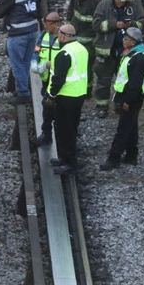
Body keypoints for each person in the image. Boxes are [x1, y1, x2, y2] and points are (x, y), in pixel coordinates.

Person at [92, 0, 144, 118]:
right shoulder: (103, 6)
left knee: (123, 81)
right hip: (107, 52)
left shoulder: (132, 7)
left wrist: (132, 24)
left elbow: (141, 24)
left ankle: (120, 104)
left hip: (125, 53)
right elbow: (96, 25)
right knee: (103, 80)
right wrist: (114, 25)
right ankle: (101, 107)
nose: (125, 0)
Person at [99, 28, 144, 170]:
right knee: (131, 126)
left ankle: (114, 158)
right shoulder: (131, 53)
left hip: (131, 98)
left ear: (133, 42)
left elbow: (135, 83)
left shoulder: (138, 58)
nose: (123, 40)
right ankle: (131, 155)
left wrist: (127, 101)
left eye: (126, 39)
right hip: (127, 96)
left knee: (123, 128)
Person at [45, 25, 88, 175]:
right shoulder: (82, 49)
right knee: (72, 127)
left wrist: (51, 95)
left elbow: (59, 79)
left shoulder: (64, 54)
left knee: (64, 130)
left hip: (66, 96)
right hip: (79, 94)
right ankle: (65, 157)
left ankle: (69, 162)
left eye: (59, 35)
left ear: (63, 36)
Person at [66, 0, 104, 96]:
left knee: (86, 66)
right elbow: (71, 12)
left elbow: (100, 23)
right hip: (75, 36)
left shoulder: (97, 0)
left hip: (89, 40)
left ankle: (87, 91)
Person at [31, 12, 62, 145]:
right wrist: (34, 64)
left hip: (58, 81)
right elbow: (37, 51)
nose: (46, 26)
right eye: (45, 24)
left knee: (53, 107)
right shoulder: (43, 36)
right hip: (46, 79)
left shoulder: (64, 38)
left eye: (48, 24)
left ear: (57, 24)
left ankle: (52, 134)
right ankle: (47, 133)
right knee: (46, 106)